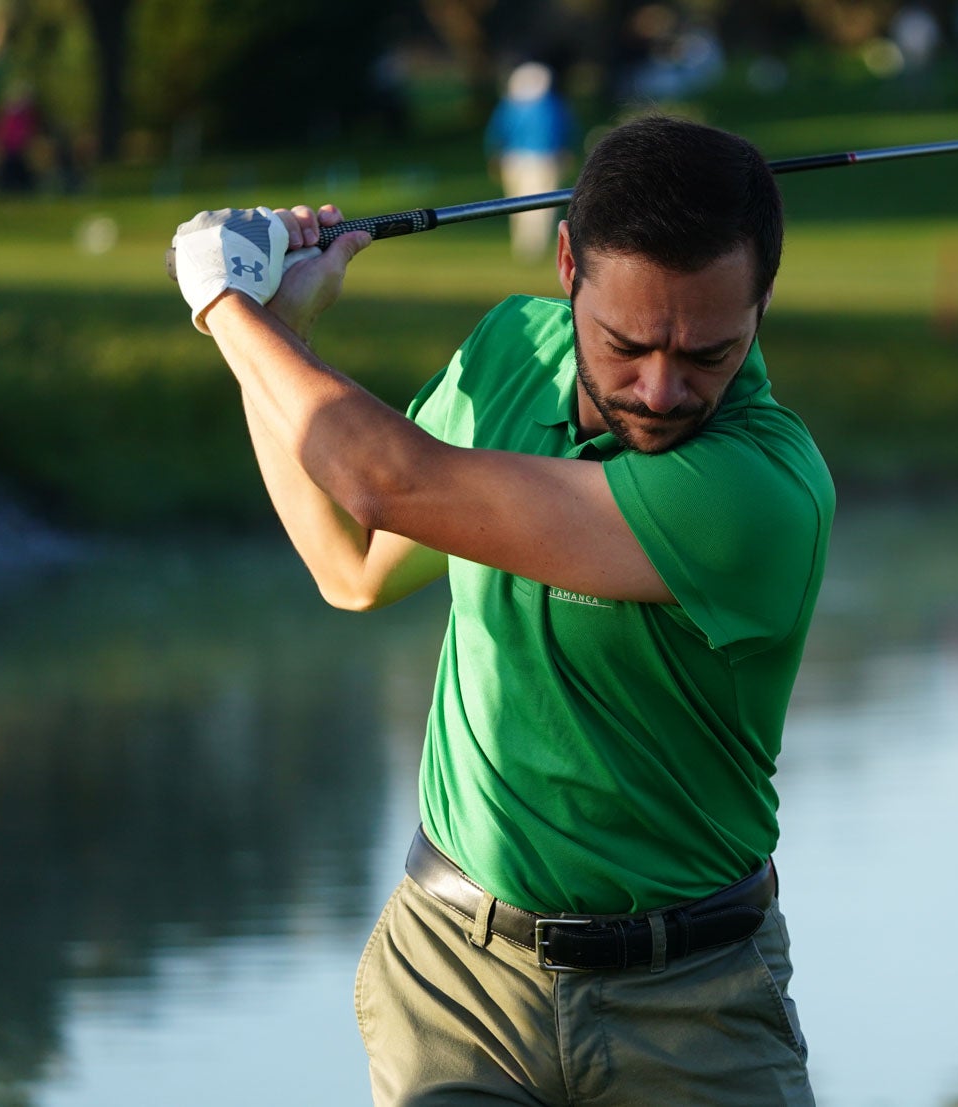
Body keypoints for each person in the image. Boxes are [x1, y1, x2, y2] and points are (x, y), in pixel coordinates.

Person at [169, 116, 832, 1104]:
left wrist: (229, 306)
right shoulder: (508, 355)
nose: (661, 387)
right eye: (627, 343)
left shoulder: (756, 491)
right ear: (567, 262)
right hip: (455, 986)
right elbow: (351, 564)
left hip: (689, 1010)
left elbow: (384, 482)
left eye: (707, 352)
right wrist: (285, 337)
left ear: (761, 301)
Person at [484, 62, 576, 260]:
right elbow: (565, 130)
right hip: (543, 159)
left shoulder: (510, 104)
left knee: (517, 203)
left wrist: (494, 155)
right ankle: (533, 247)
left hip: (513, 159)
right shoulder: (551, 104)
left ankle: (524, 246)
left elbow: (496, 132)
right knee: (541, 204)